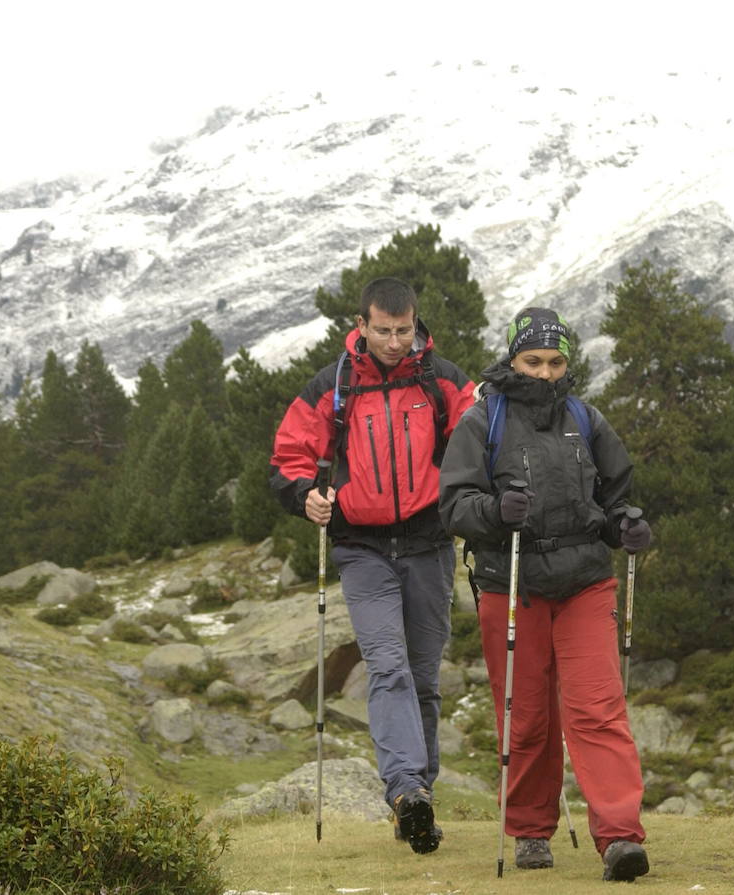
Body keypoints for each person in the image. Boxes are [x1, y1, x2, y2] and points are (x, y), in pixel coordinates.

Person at [438, 307, 654, 882]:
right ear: (512, 359)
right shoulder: (482, 422)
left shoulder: (585, 418)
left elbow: (616, 495)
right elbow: (454, 506)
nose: (544, 372)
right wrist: (492, 511)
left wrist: (627, 525)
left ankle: (619, 837)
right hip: (511, 584)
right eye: (533, 361)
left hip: (585, 578)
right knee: (525, 714)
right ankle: (531, 828)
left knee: (597, 709)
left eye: (555, 362)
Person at [270, 276, 475, 854]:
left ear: (417, 325)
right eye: (382, 331)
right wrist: (304, 493)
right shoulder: (331, 387)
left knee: (425, 680)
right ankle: (405, 792)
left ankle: (420, 802)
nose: (392, 342)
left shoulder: (443, 380)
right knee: (388, 668)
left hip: (429, 544)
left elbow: (483, 437)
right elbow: (289, 456)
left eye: (403, 331)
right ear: (360, 325)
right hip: (360, 549)